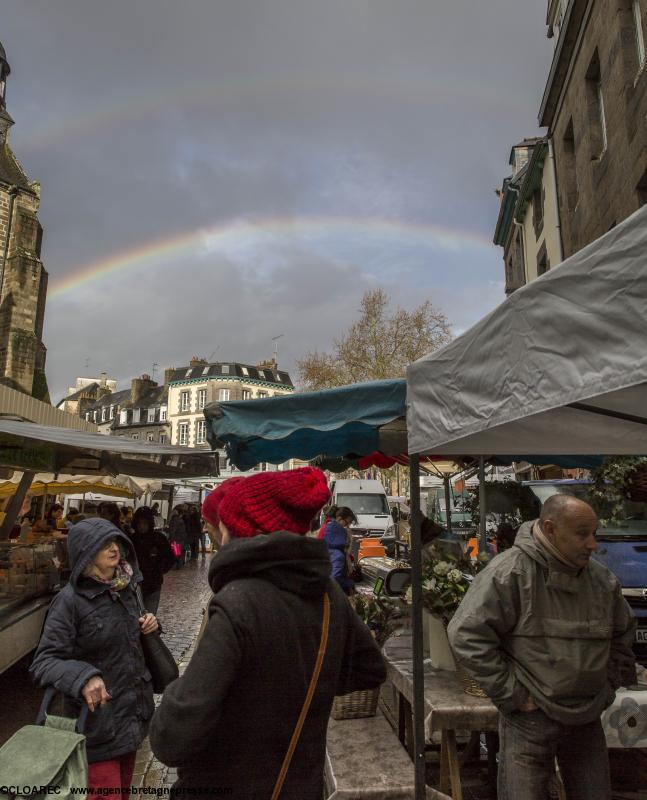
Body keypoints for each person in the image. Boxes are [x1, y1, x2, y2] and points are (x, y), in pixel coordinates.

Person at [149, 468, 386, 799]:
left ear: (240, 528)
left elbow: (172, 737)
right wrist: (300, 688)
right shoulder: (329, 594)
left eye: (224, 521)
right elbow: (369, 667)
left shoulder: (237, 601)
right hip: (299, 784)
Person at [448, 495, 637, 800]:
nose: (592, 544)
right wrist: (513, 694)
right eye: (582, 533)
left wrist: (606, 686)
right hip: (530, 722)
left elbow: (624, 633)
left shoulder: (602, 581)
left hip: (587, 719)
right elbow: (466, 634)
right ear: (550, 528)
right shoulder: (510, 573)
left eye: (594, 534)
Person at [30, 517, 158, 800]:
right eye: (104, 545)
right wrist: (83, 677)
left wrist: (149, 624)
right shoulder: (69, 601)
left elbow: (128, 643)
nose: (114, 549)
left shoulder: (126, 588)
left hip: (130, 718)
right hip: (94, 726)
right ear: (86, 552)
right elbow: (45, 661)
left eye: (116, 542)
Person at [130, 506, 175, 614]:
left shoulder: (159, 539)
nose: (141, 526)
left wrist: (160, 570)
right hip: (134, 586)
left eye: (145, 523)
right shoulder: (131, 539)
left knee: (149, 617)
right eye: (139, 523)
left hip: (153, 585)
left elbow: (170, 557)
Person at [323, 506, 357, 596]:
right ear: (339, 519)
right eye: (346, 523)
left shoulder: (327, 532)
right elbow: (334, 579)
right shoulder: (338, 555)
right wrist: (349, 583)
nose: (347, 527)